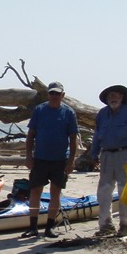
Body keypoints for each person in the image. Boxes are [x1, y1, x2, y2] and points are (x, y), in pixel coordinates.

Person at [21, 82, 79, 239]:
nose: (54, 96)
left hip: (60, 159)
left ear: (63, 95)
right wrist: (28, 156)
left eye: (57, 94)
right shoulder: (40, 110)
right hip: (40, 158)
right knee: (35, 192)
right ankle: (33, 227)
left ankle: (49, 227)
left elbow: (73, 138)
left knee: (55, 192)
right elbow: (31, 134)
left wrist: (71, 161)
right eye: (51, 93)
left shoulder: (69, 113)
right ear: (48, 94)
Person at [90, 84, 127, 237]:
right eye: (110, 96)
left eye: (116, 95)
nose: (113, 98)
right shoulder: (102, 114)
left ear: (122, 97)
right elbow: (97, 135)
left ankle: (125, 224)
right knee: (104, 192)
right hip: (106, 155)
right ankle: (105, 225)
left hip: (126, 154)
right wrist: (93, 155)